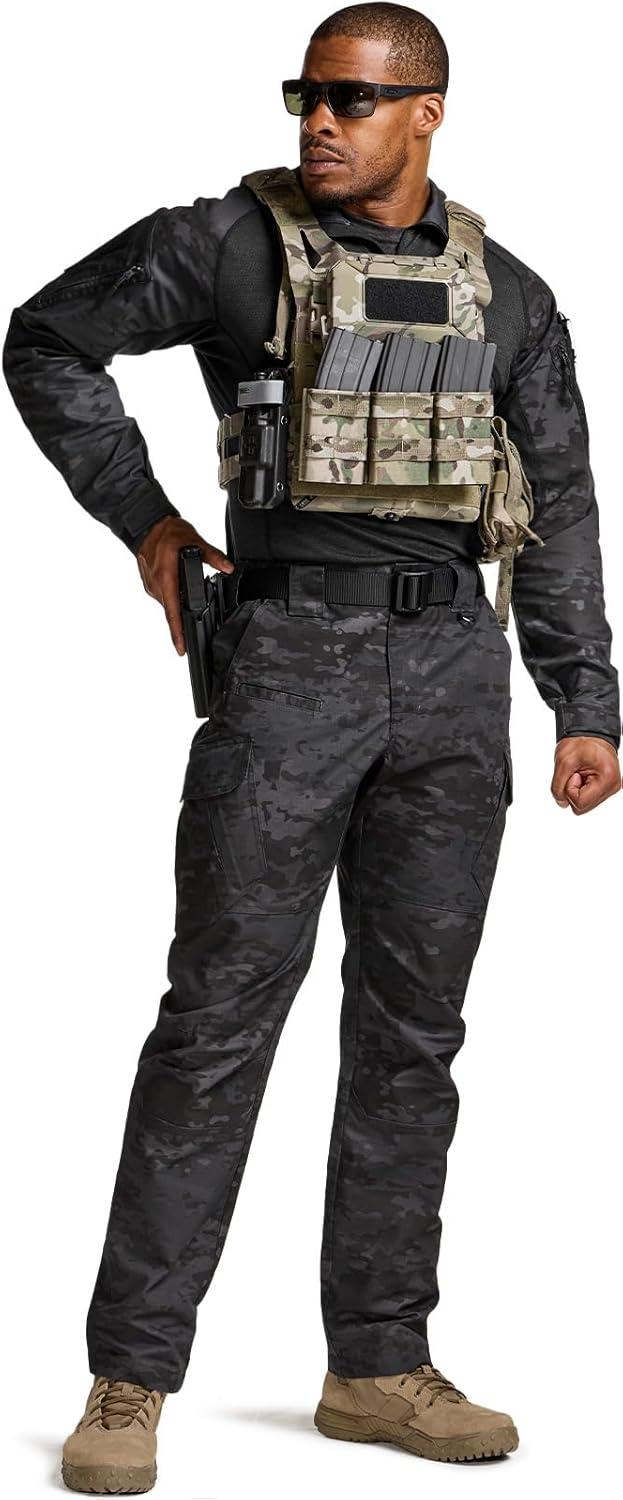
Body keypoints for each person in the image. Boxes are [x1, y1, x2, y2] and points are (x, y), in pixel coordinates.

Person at [4, 2, 621, 1491]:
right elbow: (48, 340)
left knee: (415, 1039)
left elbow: (557, 495)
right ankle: (130, 1380)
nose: (320, 122)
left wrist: (585, 697)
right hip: (288, 664)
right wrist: (150, 526)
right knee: (217, 1021)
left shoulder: (512, 293)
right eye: (307, 95)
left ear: (429, 113)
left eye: (353, 98)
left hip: (455, 676)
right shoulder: (228, 245)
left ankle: (378, 1366)